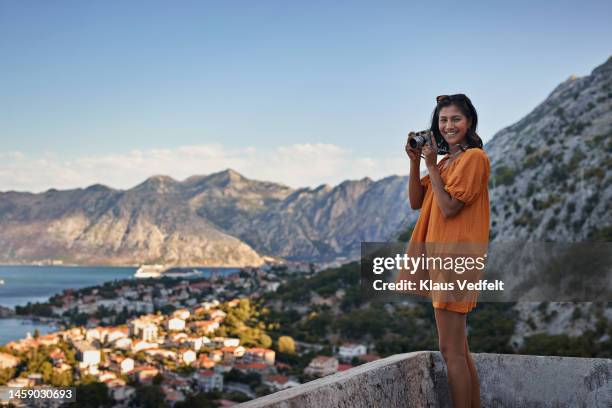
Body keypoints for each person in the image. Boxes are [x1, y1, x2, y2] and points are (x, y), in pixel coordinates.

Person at [405, 94, 490, 408]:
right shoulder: (445, 163)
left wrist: (431, 166)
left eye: (455, 119)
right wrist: (417, 164)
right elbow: (417, 202)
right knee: (460, 349)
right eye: (443, 120)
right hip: (443, 259)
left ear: (469, 122)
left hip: (456, 259)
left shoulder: (474, 158)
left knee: (449, 351)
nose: (448, 125)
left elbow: (450, 207)